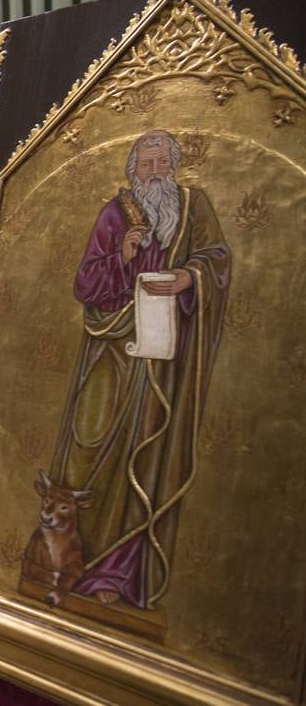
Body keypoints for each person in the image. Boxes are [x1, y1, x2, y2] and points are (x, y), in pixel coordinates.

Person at [47, 129, 230, 610]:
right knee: (92, 450)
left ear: (174, 166)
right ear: (134, 171)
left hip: (164, 360)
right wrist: (121, 257)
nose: (154, 173)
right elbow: (85, 283)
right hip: (110, 356)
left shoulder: (194, 208)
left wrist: (189, 277)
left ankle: (120, 574)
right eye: (145, 165)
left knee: (145, 457)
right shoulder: (117, 213)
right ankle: (68, 560)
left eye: (161, 164)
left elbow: (217, 261)